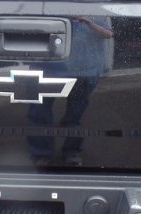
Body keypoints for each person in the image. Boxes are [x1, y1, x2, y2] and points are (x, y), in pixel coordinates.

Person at [27, 15, 113, 166]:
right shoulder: (46, 2)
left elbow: (108, 34)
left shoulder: (95, 6)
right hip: (46, 68)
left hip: (85, 71)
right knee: (39, 113)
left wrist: (86, 21)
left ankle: (72, 152)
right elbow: (28, 31)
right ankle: (41, 154)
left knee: (74, 116)